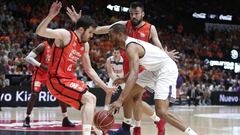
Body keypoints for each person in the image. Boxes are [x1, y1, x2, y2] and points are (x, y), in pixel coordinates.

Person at [66, 2, 179, 135]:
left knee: (135, 97)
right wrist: (80, 23)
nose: (133, 16)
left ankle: (134, 128)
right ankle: (154, 120)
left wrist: (166, 55)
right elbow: (99, 29)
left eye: (136, 13)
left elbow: (158, 46)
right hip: (127, 66)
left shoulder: (150, 28)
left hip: (143, 67)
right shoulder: (123, 25)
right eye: (131, 13)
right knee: (130, 98)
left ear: (142, 14)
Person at [35, 2, 116, 135]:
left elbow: (89, 70)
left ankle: (95, 131)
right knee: (90, 99)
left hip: (69, 79)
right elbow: (40, 31)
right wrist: (50, 16)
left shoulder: (85, 45)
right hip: (56, 80)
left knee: (90, 101)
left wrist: (105, 87)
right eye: (90, 32)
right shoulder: (65, 35)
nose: (92, 36)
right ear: (81, 30)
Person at [109, 23, 198, 135]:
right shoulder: (128, 46)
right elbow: (133, 70)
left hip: (166, 70)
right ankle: (125, 130)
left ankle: (193, 133)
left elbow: (134, 74)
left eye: (111, 36)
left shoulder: (130, 47)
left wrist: (120, 100)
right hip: (153, 70)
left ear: (119, 34)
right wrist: (124, 79)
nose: (109, 39)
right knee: (128, 94)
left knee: (161, 111)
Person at [23, 39, 75, 128]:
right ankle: (27, 118)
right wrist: (41, 65)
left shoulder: (58, 47)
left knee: (61, 94)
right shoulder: (42, 46)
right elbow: (28, 58)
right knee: (34, 95)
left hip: (51, 75)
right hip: (39, 73)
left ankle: (65, 118)